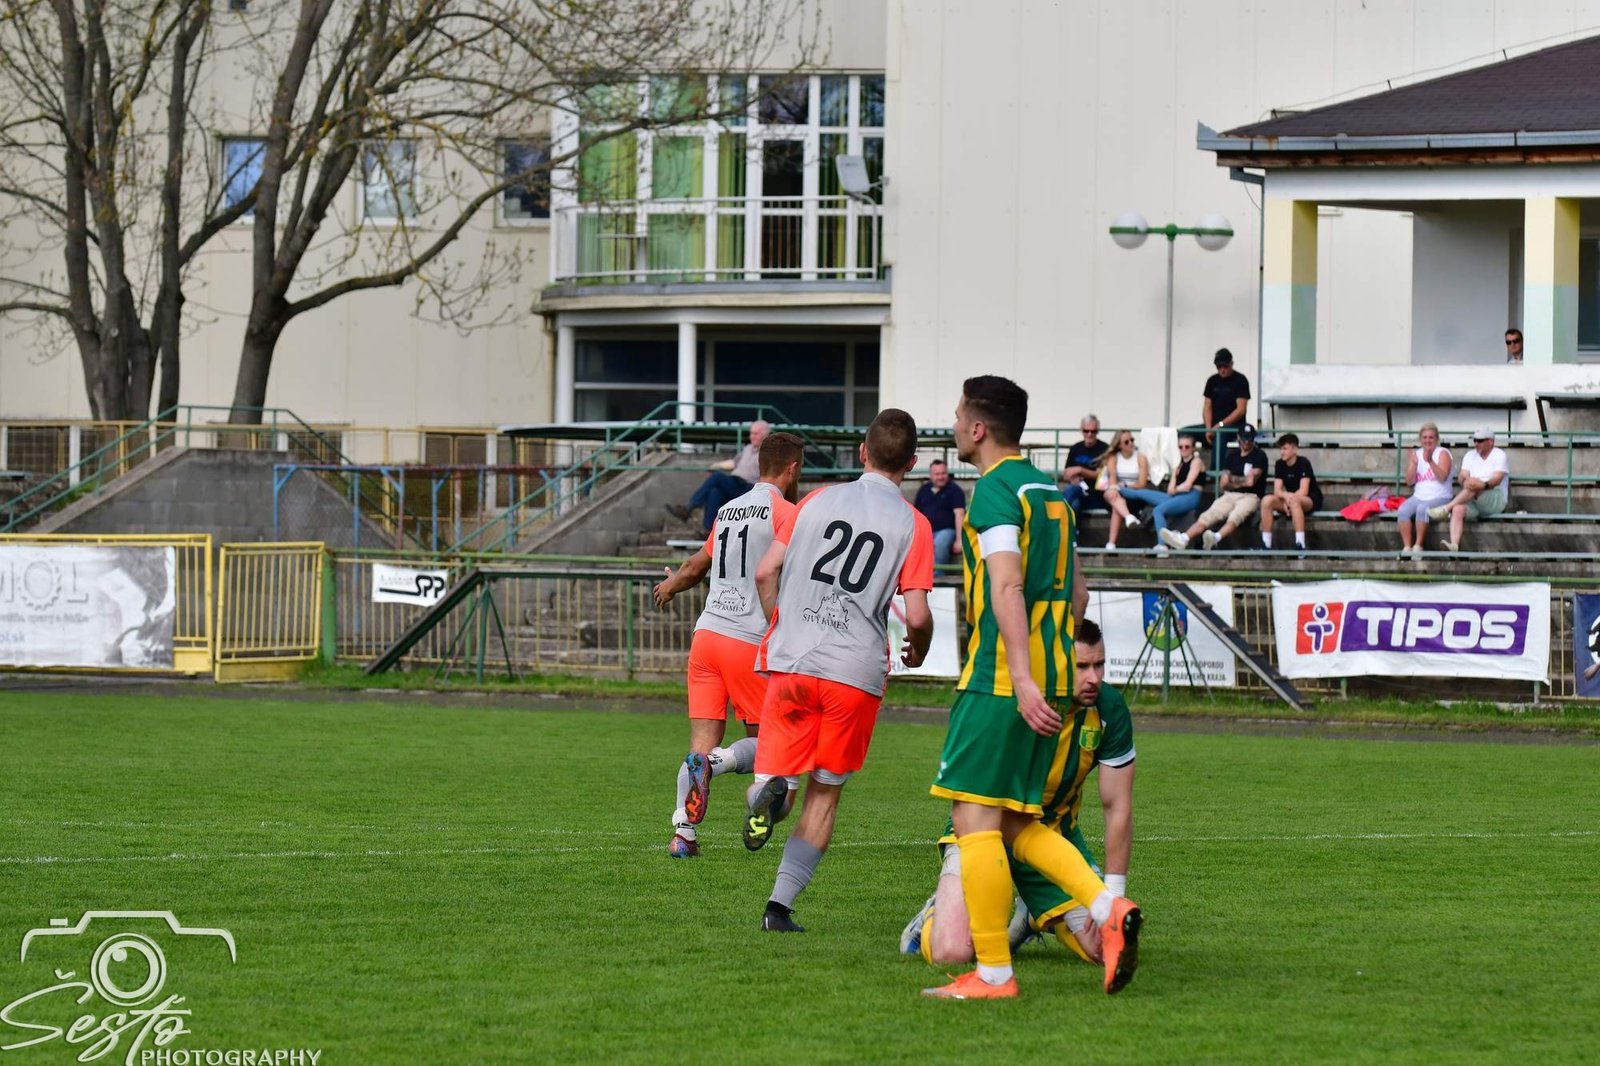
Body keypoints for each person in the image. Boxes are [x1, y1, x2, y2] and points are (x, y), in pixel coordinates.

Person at [923, 375, 1141, 1001]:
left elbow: (1007, 585)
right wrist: (1047, 665)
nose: (954, 423)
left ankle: (994, 973)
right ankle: (1107, 908)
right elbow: (1079, 594)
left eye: (958, 415)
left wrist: (1019, 676)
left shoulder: (995, 490)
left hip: (999, 678)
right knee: (1017, 822)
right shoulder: (1052, 494)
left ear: (978, 427)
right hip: (1052, 672)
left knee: (973, 819)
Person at [744, 409, 935, 932]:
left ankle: (767, 795)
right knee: (824, 794)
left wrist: (781, 624)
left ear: (862, 452)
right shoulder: (914, 524)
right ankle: (778, 910)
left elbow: (765, 571)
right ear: (912, 463)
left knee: (777, 782)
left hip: (794, 659)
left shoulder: (815, 500)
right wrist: (919, 648)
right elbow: (918, 616)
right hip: (853, 672)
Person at [900, 620, 1135, 971]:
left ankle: (1032, 914)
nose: (1094, 678)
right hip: (984, 828)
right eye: (1082, 666)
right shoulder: (1014, 698)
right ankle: (932, 917)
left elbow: (1117, 807)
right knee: (952, 951)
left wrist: (1113, 896)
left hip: (1053, 838)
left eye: (1099, 665)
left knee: (1104, 949)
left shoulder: (1109, 709)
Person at [651, 432, 806, 858]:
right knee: (769, 745)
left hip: (707, 637)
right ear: (792, 468)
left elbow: (694, 566)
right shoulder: (787, 513)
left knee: (700, 741)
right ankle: (716, 765)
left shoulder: (729, 509)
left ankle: (683, 836)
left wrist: (669, 586)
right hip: (747, 640)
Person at [1157, 424, 1268, 551]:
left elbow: (1250, 482)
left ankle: (1215, 538)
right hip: (1230, 494)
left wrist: (1232, 479)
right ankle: (1184, 538)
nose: (1246, 442)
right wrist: (1240, 480)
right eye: (1244, 438)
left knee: (1236, 515)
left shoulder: (1259, 455)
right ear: (1238, 437)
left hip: (1251, 496)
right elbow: (1223, 483)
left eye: (1249, 438)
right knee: (1209, 514)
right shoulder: (1232, 455)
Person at [665, 420, 771, 533]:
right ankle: (708, 530)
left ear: (765, 435)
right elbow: (733, 463)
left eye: (755, 434)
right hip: (734, 483)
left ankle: (689, 508)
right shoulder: (747, 448)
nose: (752, 436)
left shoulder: (768, 452)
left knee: (717, 477)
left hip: (748, 488)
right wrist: (715, 465)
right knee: (714, 492)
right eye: (751, 433)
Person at [1428, 427, 1509, 552]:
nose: (1476, 443)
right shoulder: (1470, 455)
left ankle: (1446, 508)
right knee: (1458, 508)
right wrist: (1466, 481)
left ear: (1490, 442)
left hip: (1496, 497)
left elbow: (1497, 479)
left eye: (1480, 441)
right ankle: (1454, 544)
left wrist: (1481, 485)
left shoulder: (1499, 454)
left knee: (1475, 487)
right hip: (1473, 498)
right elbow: (1462, 476)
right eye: (1474, 440)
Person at [1395, 422, 1453, 556]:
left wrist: (1430, 461)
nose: (1427, 440)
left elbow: (1443, 477)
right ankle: (1407, 547)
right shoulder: (1417, 454)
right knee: (1403, 510)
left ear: (1437, 439)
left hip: (1441, 496)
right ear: (1420, 439)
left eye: (1431, 437)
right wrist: (1414, 464)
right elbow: (1409, 482)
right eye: (1424, 437)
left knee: (1422, 508)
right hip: (1419, 496)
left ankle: (1418, 546)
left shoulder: (1443, 453)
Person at [1260, 432, 1322, 552]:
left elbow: (1304, 491)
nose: (1282, 452)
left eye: (1285, 449)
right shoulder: (1279, 464)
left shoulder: (1303, 462)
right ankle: (1266, 544)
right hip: (1290, 499)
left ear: (1294, 449)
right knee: (1266, 500)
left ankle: (1300, 545)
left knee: (1294, 501)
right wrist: (1285, 497)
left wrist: (1288, 501)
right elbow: (1277, 490)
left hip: (1310, 499)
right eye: (1281, 449)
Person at [1149, 433, 1207, 550]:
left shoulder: (1196, 461)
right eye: (1180, 447)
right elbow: (1170, 489)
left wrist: (1175, 489)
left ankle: (1162, 545)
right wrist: (1175, 489)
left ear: (1193, 448)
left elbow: (1188, 485)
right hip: (1178, 496)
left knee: (1158, 510)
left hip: (1191, 496)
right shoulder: (1178, 465)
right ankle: (1118, 489)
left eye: (1187, 446)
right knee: (1141, 494)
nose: (1183, 449)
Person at [1099, 430, 1150, 551]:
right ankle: (1128, 517)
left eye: (1132, 440)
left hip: (1133, 496)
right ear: (1119, 445)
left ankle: (1111, 543)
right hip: (1116, 494)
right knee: (1114, 495)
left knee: (1117, 505)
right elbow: (1112, 481)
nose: (1131, 443)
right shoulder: (1113, 458)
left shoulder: (1140, 458)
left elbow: (1142, 483)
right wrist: (1117, 488)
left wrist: (1125, 486)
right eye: (1126, 442)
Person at [1202, 348, 1251, 468]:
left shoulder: (1240, 380)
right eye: (1219, 367)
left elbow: (1241, 410)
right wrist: (1208, 428)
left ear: (1231, 364)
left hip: (1234, 426)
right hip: (1213, 426)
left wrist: (1220, 425)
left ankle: (1215, 471)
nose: (1222, 369)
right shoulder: (1212, 381)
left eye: (1225, 366)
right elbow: (1207, 407)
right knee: (1184, 433)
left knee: (1220, 434)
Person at [914, 459, 967, 565]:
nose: (940, 477)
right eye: (937, 474)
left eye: (943, 473)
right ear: (930, 475)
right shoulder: (924, 490)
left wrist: (959, 540)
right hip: (927, 531)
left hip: (947, 531)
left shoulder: (955, 490)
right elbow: (916, 514)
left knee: (940, 542)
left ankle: (938, 573)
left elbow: (960, 514)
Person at [1059, 415, 1110, 516]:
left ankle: (1057, 520)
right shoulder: (1075, 448)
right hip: (1078, 490)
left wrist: (1080, 470)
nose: (1089, 434)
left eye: (1093, 431)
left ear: (1098, 431)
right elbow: (1066, 474)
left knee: (1073, 499)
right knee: (1074, 502)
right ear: (1081, 430)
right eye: (1086, 431)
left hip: (1097, 493)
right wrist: (1072, 478)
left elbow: (1101, 474)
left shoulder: (1105, 449)